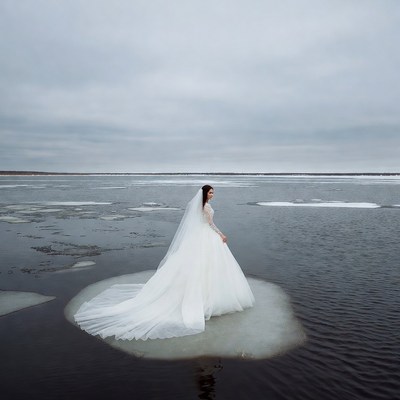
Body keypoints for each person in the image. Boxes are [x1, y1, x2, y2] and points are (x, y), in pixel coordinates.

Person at [74, 185, 255, 340]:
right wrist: (221, 235)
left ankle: (198, 295)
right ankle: (205, 298)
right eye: (210, 193)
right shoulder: (206, 208)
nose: (212, 195)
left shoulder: (201, 207)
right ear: (204, 194)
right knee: (205, 266)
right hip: (205, 237)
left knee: (195, 267)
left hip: (196, 238)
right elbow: (210, 225)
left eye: (213, 193)